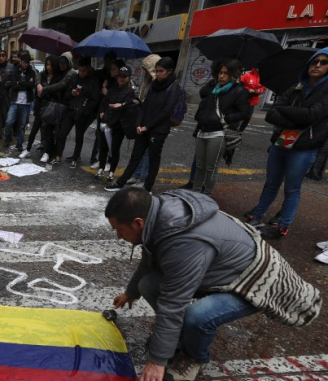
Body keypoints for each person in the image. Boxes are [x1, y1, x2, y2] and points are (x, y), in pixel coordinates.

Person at [106, 187, 321, 381]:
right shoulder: (158, 214)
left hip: (254, 281)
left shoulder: (183, 243)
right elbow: (149, 260)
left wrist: (157, 361)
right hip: (221, 271)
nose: (118, 236)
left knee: (197, 316)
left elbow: (173, 304)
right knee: (148, 285)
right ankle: (179, 338)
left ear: (138, 223)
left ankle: (194, 357)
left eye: (119, 230)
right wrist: (131, 292)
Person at [246, 48, 328, 239]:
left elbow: (313, 115)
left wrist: (288, 113)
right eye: (314, 61)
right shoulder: (297, 86)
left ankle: (282, 226)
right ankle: (257, 215)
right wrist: (297, 119)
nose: (317, 65)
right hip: (282, 141)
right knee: (271, 183)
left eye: (323, 62)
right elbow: (272, 112)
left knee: (292, 188)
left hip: (304, 147)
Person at [105, 57, 182, 193]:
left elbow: (166, 111)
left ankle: (148, 187)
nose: (157, 74)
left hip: (158, 130)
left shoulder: (173, 87)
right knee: (135, 156)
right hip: (144, 127)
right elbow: (144, 106)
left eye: (160, 71)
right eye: (156, 71)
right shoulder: (154, 85)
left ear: (169, 71)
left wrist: (148, 126)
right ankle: (120, 183)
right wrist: (139, 124)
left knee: (153, 158)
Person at [192, 58, 250, 195]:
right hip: (203, 130)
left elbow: (245, 113)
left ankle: (207, 193)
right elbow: (203, 95)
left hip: (218, 133)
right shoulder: (214, 88)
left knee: (211, 167)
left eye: (225, 73)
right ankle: (194, 191)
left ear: (232, 75)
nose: (221, 76)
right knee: (199, 166)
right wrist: (200, 116)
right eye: (220, 72)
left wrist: (228, 118)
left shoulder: (239, 91)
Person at [57, 57, 102, 169]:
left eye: (84, 71)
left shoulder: (93, 81)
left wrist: (85, 111)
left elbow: (95, 99)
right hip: (71, 109)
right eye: (80, 70)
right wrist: (71, 93)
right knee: (62, 133)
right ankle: (58, 156)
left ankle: (76, 157)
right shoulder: (75, 78)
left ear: (88, 69)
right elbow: (66, 94)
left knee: (79, 137)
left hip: (82, 113)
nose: (81, 73)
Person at [96, 64, 135, 182]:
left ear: (128, 77)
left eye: (124, 76)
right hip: (107, 122)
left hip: (119, 125)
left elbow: (129, 103)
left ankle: (112, 171)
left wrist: (121, 105)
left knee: (114, 149)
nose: (121, 79)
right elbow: (105, 101)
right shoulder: (113, 88)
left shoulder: (130, 91)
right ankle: (101, 168)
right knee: (103, 147)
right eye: (120, 76)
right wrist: (102, 112)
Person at [126, 54, 161, 185]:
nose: (144, 72)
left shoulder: (157, 83)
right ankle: (136, 174)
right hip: (142, 119)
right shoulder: (147, 81)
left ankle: (143, 177)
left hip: (151, 122)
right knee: (139, 149)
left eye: (147, 69)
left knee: (147, 152)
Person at [39, 52, 78, 165]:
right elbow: (41, 74)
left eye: (64, 63)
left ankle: (57, 155)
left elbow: (62, 85)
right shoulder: (60, 72)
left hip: (66, 106)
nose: (61, 65)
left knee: (60, 132)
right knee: (48, 128)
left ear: (69, 63)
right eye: (60, 63)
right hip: (56, 105)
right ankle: (50, 152)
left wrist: (46, 89)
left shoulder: (71, 73)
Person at [21, 55, 62, 161]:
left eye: (51, 65)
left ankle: (47, 153)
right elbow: (37, 90)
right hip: (41, 107)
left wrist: (44, 91)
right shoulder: (42, 75)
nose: (48, 67)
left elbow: (56, 92)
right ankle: (28, 150)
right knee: (34, 128)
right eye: (47, 64)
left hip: (51, 107)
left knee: (48, 131)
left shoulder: (57, 78)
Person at [3, 53, 36, 153]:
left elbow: (31, 85)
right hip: (15, 101)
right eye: (23, 62)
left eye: (26, 63)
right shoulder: (15, 71)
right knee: (8, 122)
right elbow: (14, 85)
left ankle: (19, 143)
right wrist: (25, 83)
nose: (24, 64)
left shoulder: (32, 72)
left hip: (26, 103)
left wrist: (20, 82)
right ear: (21, 62)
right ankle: (7, 138)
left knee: (22, 125)